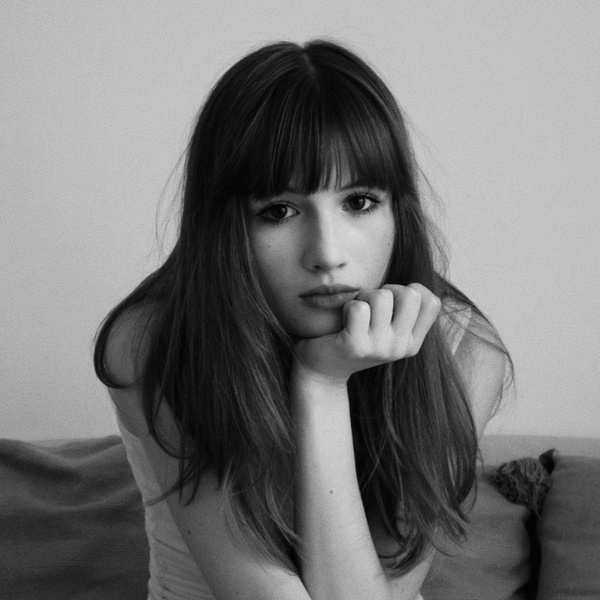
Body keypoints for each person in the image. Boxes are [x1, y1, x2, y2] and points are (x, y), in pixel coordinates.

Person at [94, 39, 510, 600]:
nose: (327, 253)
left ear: (398, 209)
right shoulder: (155, 342)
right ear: (226, 227)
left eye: (359, 202)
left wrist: (320, 381)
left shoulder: (463, 350)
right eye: (279, 211)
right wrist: (321, 381)